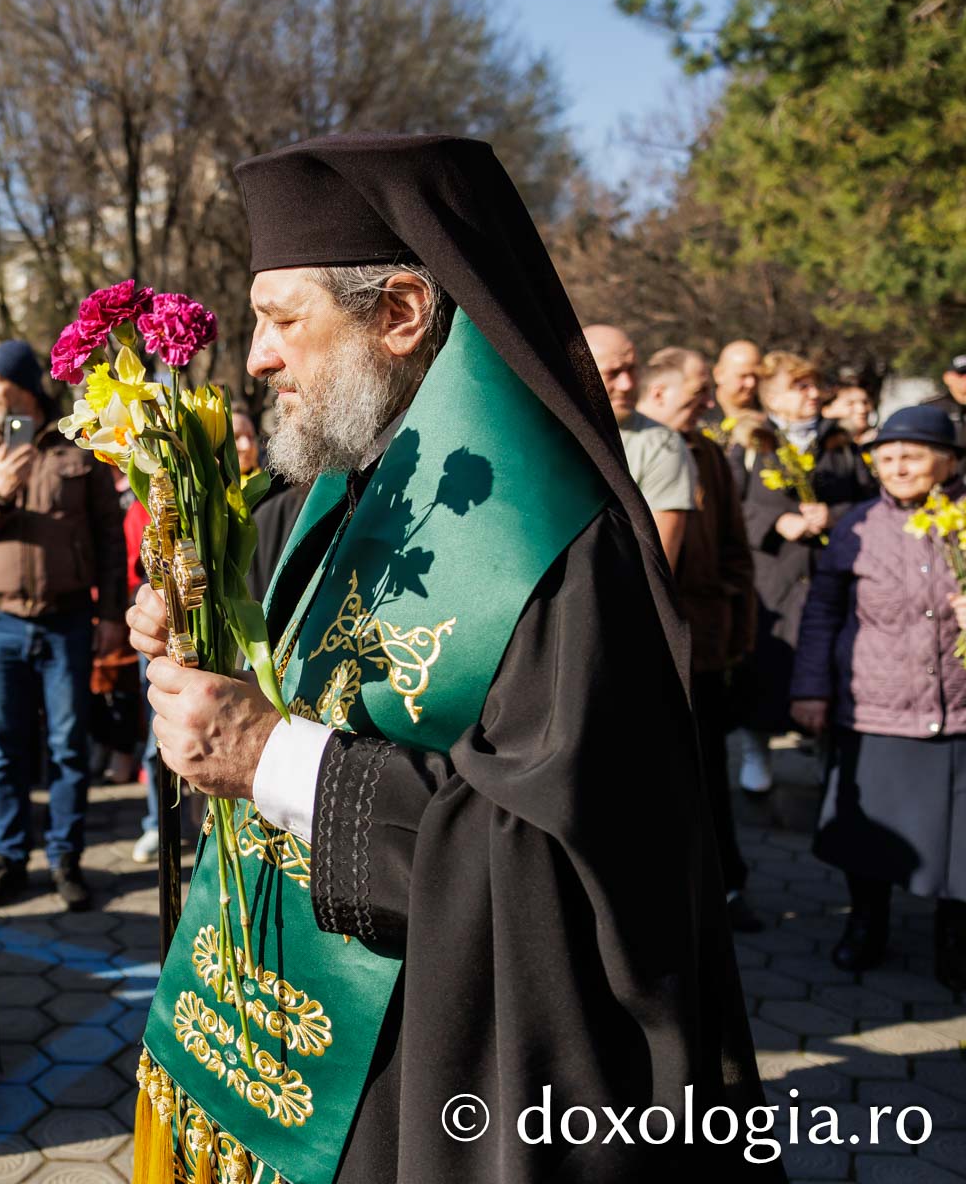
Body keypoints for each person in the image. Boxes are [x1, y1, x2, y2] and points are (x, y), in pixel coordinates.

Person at [126, 135, 769, 1182]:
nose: (256, 357)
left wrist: (276, 759)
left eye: (285, 320)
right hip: (269, 1026)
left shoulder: (555, 545)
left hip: (435, 1071)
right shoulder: (323, 492)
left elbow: (561, 870)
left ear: (402, 315)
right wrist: (196, 635)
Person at [793, 405, 966, 991]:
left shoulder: (964, 520)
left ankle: (955, 938)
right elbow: (822, 614)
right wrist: (811, 689)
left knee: (960, 843)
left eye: (911, 456)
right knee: (866, 837)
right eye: (886, 458)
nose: (897, 467)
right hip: (876, 705)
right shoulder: (857, 525)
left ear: (947, 461)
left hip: (959, 710)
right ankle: (866, 925)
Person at [0, 339, 126, 912]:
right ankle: (9, 858)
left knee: (68, 747)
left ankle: (66, 860)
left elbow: (107, 534)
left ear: (25, 385)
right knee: (4, 749)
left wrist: (109, 617)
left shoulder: (79, 441)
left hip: (67, 619)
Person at [636, 348, 764, 933]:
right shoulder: (620, 443)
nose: (709, 404)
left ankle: (727, 887)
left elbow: (734, 543)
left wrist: (735, 611)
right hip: (644, 644)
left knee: (710, 768)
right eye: (696, 394)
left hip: (704, 642)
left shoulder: (707, 454)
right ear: (658, 395)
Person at [735, 351, 874, 795]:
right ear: (773, 395)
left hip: (827, 574)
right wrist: (776, 523)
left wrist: (834, 516)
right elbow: (731, 506)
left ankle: (824, 750)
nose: (815, 395)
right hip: (772, 576)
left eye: (816, 385)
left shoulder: (840, 444)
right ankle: (758, 749)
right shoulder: (753, 443)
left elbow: (871, 504)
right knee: (766, 667)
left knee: (829, 662)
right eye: (802, 386)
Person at [584, 324, 698, 566]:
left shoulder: (661, 444)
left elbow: (659, 561)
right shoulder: (545, 431)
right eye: (613, 373)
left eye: (632, 369)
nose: (627, 384)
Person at [711, 339, 764, 423]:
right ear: (718, 374)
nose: (751, 383)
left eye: (756, 376)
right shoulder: (698, 413)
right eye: (743, 376)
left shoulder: (771, 413)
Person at [824, 375, 878, 444]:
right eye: (850, 403)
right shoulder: (816, 442)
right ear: (827, 410)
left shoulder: (879, 440)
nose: (862, 410)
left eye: (865, 402)